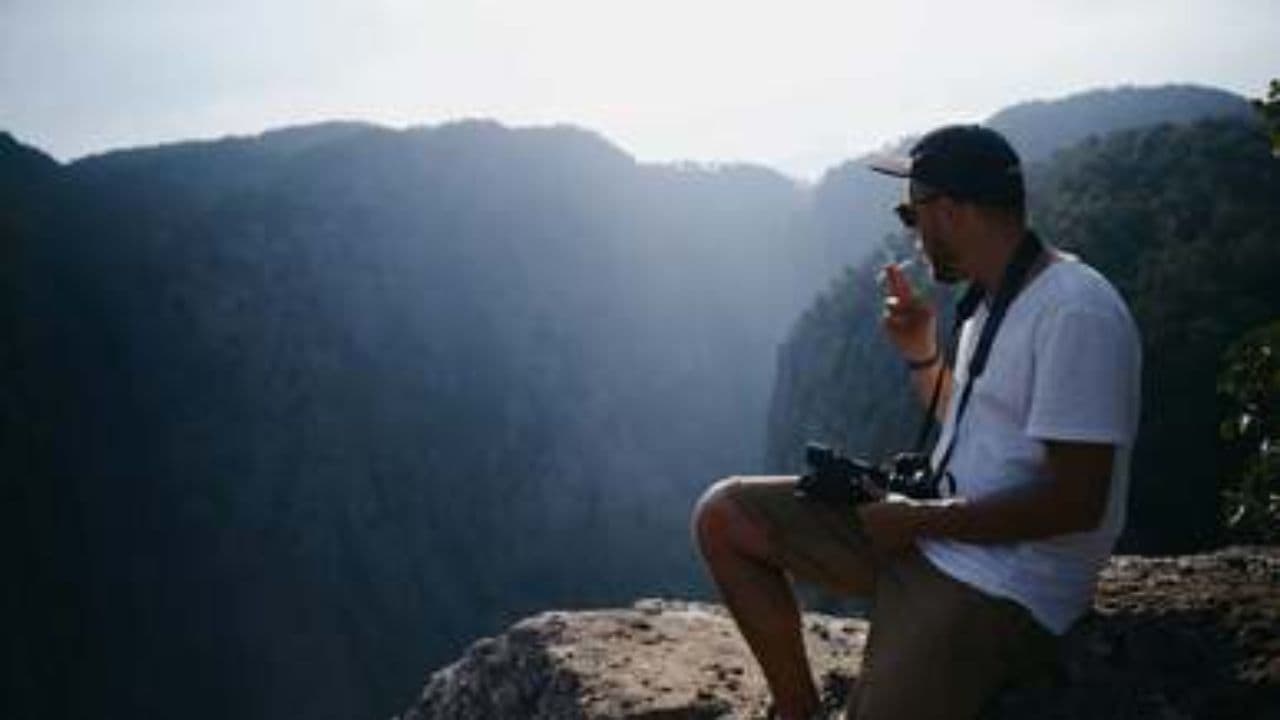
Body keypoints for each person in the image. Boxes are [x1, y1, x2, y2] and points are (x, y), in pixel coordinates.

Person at [691, 124, 1142, 720]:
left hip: (1004, 582)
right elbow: (977, 422)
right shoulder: (993, 299)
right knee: (725, 517)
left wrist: (920, 520)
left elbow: (1079, 500)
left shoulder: (1073, 311)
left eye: (912, 214)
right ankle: (797, 710)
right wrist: (921, 353)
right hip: (937, 537)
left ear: (950, 212)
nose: (912, 234)